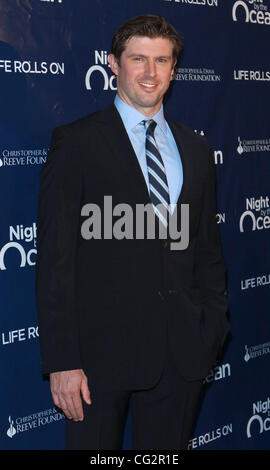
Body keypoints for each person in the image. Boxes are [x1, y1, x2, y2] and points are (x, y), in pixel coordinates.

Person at [36, 14, 230, 450]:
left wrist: (210, 330)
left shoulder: (195, 149)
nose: (149, 73)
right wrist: (63, 360)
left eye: (161, 61)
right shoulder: (76, 142)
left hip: (181, 355)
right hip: (97, 362)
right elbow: (55, 260)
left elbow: (207, 252)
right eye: (138, 59)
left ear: (173, 69)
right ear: (113, 64)